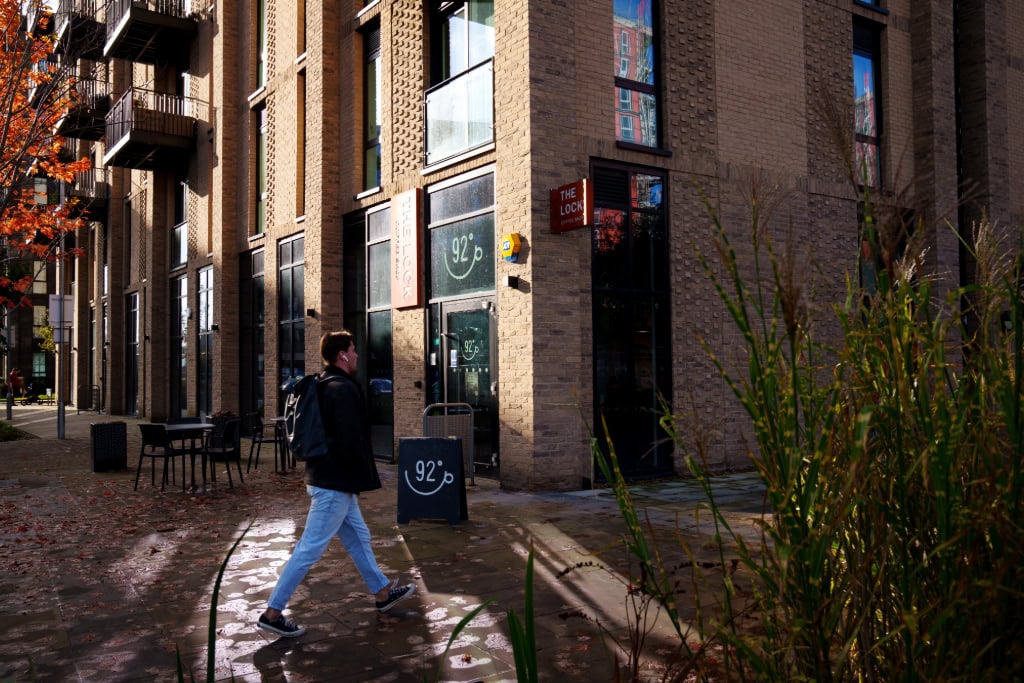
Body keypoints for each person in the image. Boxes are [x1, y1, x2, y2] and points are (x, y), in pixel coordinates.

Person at [257, 330, 416, 638]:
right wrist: (361, 476)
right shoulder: (341, 389)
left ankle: (382, 593)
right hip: (333, 484)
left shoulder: (324, 384)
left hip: (330, 479)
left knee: (359, 536)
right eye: (353, 350)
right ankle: (272, 613)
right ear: (342, 355)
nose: (357, 355)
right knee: (309, 549)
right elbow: (348, 440)